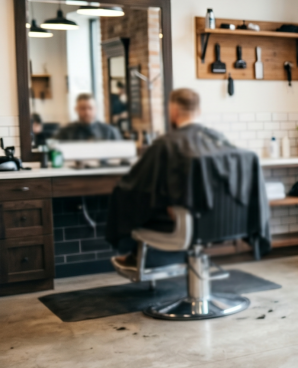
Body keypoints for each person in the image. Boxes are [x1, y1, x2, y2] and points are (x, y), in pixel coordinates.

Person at [108, 88, 269, 269]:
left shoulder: (166, 144)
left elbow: (133, 186)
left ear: (173, 111)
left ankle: (136, 254)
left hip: (186, 228)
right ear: (198, 111)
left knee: (129, 197)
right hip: (229, 225)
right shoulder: (219, 140)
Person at [56, 93, 122, 141]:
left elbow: (121, 155)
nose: (87, 112)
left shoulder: (110, 132)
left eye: (90, 108)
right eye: (83, 108)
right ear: (76, 109)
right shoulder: (65, 132)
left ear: (96, 109)